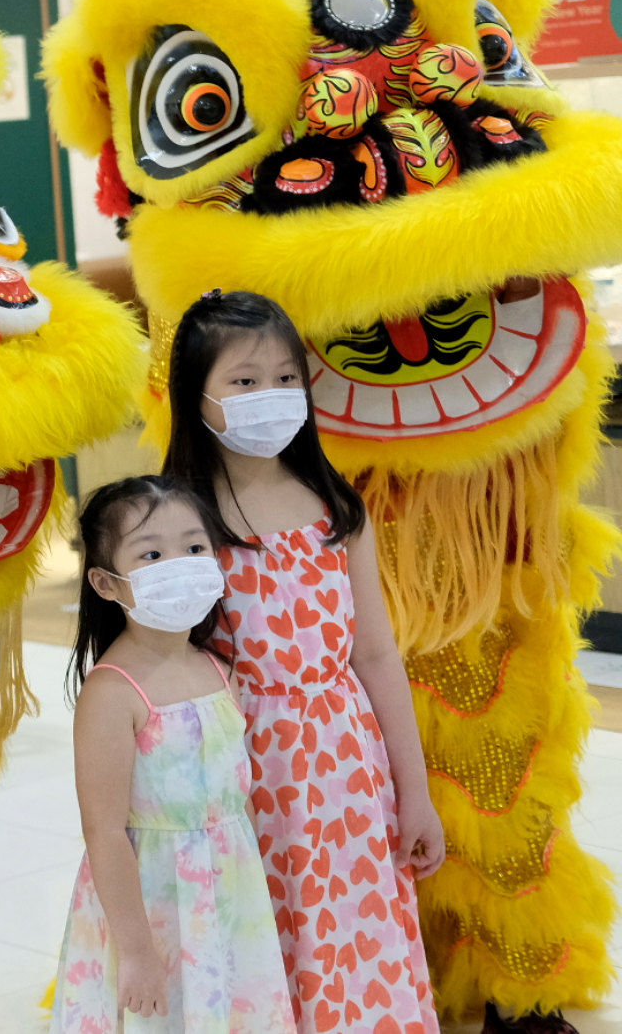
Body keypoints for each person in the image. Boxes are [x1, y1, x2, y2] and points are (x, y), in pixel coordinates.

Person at [164, 290, 443, 1033]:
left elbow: (378, 652)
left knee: (354, 932)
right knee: (262, 938)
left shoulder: (335, 507)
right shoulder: (184, 524)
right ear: (196, 395)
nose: (271, 397)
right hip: (242, 773)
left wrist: (413, 791)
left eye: (286, 378)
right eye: (245, 381)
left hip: (348, 769)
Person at [55, 474, 293, 1034]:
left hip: (229, 898)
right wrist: (136, 952)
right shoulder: (112, 694)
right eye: (152, 553)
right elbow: (105, 833)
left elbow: (238, 801)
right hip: (154, 906)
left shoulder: (217, 669)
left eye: (193, 547)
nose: (180, 564)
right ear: (107, 584)